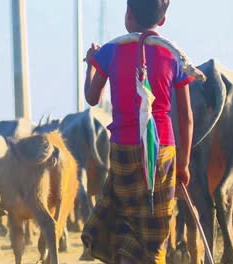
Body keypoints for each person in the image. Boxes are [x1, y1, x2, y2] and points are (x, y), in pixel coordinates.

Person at [81, 0, 195, 263]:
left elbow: (91, 98)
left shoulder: (110, 50)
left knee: (125, 219)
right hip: (163, 150)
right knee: (156, 225)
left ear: (128, 14)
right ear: (163, 20)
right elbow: (186, 116)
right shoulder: (175, 56)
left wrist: (90, 63)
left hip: (124, 148)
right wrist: (184, 165)